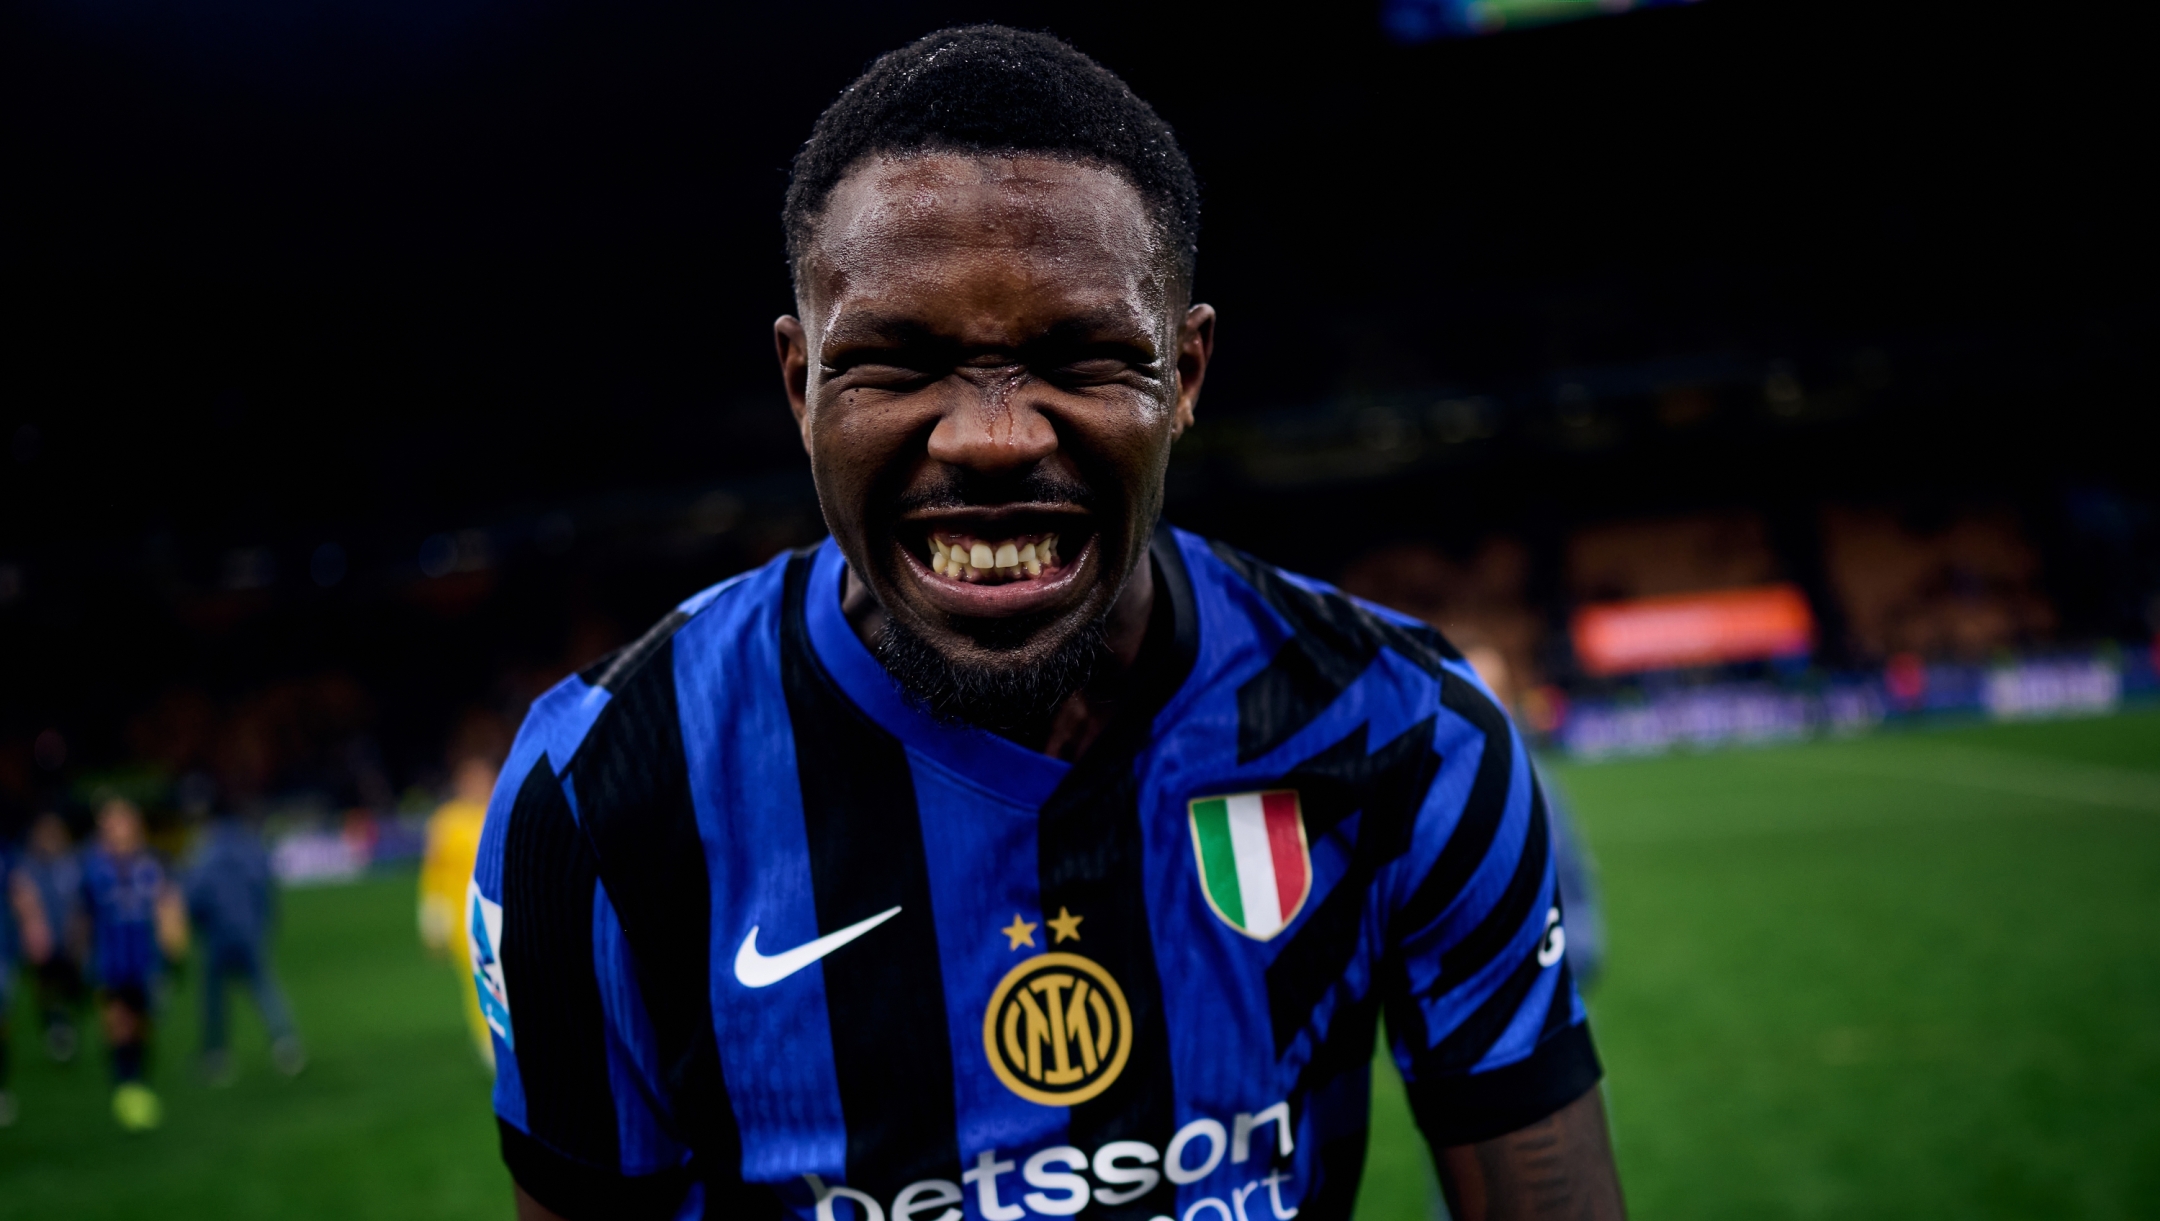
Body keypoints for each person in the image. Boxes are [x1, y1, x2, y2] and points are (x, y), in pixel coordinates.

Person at [478, 27, 1624, 1221]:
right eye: (895, 363)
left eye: (1081, 356)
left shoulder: (1401, 729)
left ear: (1183, 375)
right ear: (799, 384)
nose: (992, 437)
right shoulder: (606, 790)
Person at [80, 798, 186, 1131]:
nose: (114, 830)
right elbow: (82, 916)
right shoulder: (94, 869)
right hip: (109, 964)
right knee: (118, 1024)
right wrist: (80, 956)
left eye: (120, 822)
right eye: (108, 824)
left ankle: (137, 1082)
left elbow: (169, 906)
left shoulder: (153, 864)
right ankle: (125, 1089)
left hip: (145, 962)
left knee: (141, 1027)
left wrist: (174, 949)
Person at [183, 807, 304, 1082]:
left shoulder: (204, 854)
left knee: (214, 997)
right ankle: (286, 1045)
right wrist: (263, 926)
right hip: (249, 931)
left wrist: (200, 926)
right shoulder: (250, 850)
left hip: (217, 935)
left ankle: (216, 1056)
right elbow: (266, 892)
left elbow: (194, 897)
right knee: (264, 988)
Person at [419, 752, 498, 1067]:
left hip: (502, 911)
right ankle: (489, 1045)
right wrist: (432, 921)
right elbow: (434, 874)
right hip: (466, 917)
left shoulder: (499, 811)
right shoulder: (447, 821)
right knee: (480, 979)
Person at [10, 810, 88, 1064]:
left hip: (68, 938)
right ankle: (55, 1027)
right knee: (47, 986)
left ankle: (65, 1024)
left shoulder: (72, 863)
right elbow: (21, 896)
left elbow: (80, 902)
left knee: (71, 987)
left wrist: (80, 931)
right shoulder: (28, 864)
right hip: (42, 938)